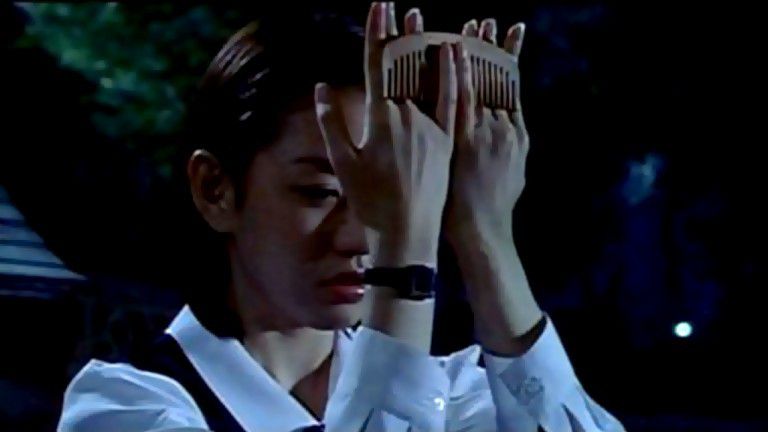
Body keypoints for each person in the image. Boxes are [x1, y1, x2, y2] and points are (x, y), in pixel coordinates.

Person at [58, 3, 624, 431]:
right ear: (215, 189)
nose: (360, 238)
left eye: (398, 197)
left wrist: (486, 231)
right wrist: (404, 252)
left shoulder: (453, 397)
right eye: (320, 192)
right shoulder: (128, 406)